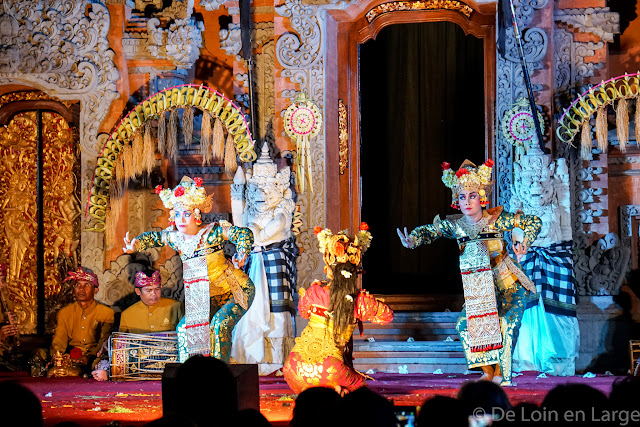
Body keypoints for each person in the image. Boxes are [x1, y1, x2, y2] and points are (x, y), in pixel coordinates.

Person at [397, 159, 541, 385]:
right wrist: (413, 239)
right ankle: (488, 371)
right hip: (479, 290)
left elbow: (532, 221)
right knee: (465, 324)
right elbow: (429, 231)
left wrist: (525, 242)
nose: (466, 201)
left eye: (472, 196)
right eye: (462, 197)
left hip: (508, 285)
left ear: (482, 197)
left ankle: (503, 374)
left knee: (506, 323)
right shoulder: (455, 225)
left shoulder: (496, 219)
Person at [123, 176, 255, 362]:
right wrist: (135, 245)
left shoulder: (212, 233)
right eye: (177, 215)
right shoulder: (175, 237)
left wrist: (241, 254)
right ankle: (190, 378)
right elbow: (154, 238)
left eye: (186, 214)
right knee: (184, 329)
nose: (181, 220)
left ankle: (218, 376)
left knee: (219, 325)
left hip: (236, 290)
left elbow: (243, 234)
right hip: (205, 297)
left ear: (196, 215)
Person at [283, 224, 393, 395]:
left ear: (328, 271)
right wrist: (367, 308)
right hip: (331, 371)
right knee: (359, 389)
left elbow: (303, 312)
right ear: (355, 272)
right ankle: (335, 390)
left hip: (293, 369)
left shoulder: (315, 291)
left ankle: (316, 391)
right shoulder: (360, 301)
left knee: (313, 382)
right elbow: (387, 316)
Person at [91, 269, 184, 381]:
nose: (154, 294)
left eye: (157, 289)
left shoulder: (176, 307)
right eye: (148, 290)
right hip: (139, 370)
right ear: (138, 291)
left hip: (172, 368)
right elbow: (120, 347)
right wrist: (111, 344)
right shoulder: (127, 314)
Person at [50, 267, 115, 373]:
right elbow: (59, 340)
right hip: (71, 357)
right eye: (77, 285)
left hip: (95, 356)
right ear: (73, 289)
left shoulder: (106, 313)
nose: (81, 289)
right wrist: (58, 356)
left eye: (86, 285)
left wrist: (89, 357)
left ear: (96, 290)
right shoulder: (65, 312)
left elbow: (104, 340)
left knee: (100, 364)